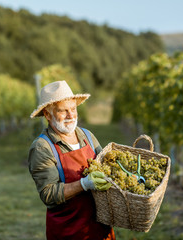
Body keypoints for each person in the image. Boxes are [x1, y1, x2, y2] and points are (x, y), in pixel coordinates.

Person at [28, 80, 115, 240]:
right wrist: (84, 184)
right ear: (47, 114)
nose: (70, 116)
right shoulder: (42, 147)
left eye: (73, 109)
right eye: (63, 111)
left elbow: (107, 168)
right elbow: (48, 194)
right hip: (69, 231)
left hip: (99, 229)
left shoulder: (87, 136)